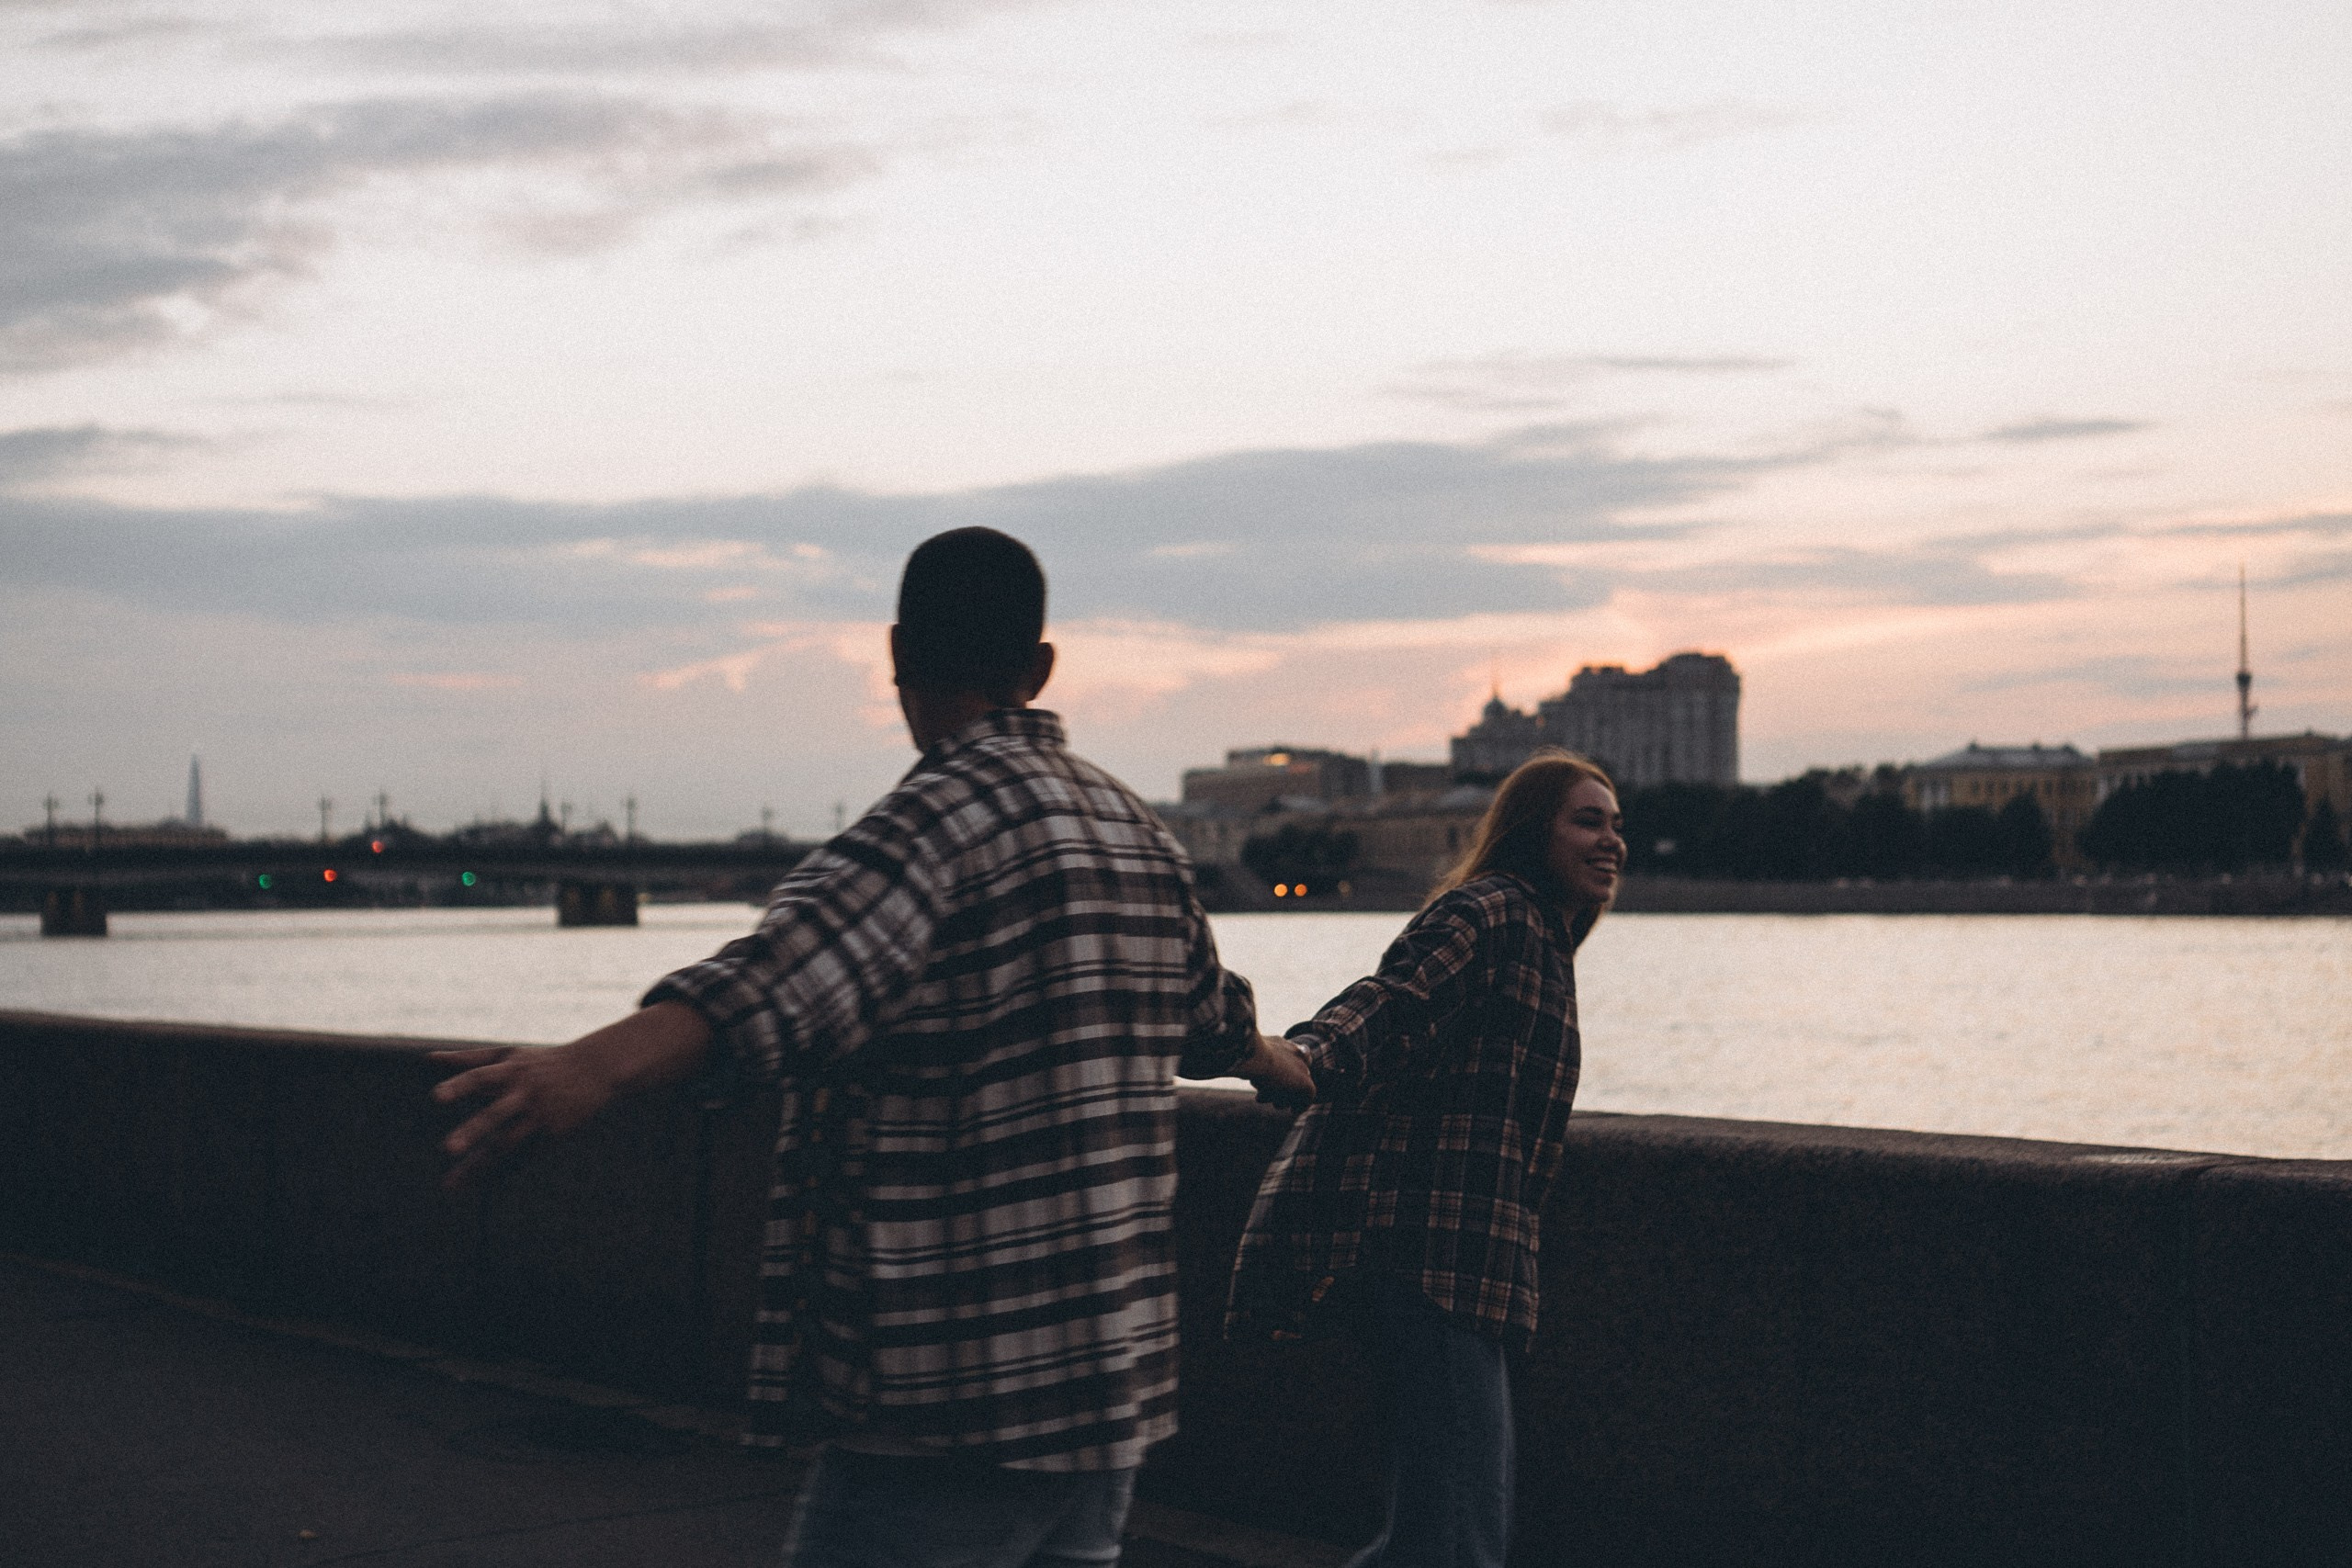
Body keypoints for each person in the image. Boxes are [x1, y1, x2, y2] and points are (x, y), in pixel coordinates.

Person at [434, 526, 1315, 1568]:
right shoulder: (1140, 835)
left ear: (895, 654)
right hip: (1104, 1384)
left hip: (956, 1398)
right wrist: (1286, 1067)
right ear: (1037, 670)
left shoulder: (924, 829)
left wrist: (585, 1067)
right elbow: (1208, 1019)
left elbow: (776, 982)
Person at [1225, 750, 1623, 1568]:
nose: (1611, 839)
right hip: (1428, 1260)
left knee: (1433, 1538)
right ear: (1529, 831)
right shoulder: (1495, 911)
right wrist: (1298, 1056)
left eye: (1617, 825)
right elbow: (1393, 1003)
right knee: (1458, 1543)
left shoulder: (1541, 936)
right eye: (1587, 820)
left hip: (1463, 1268)